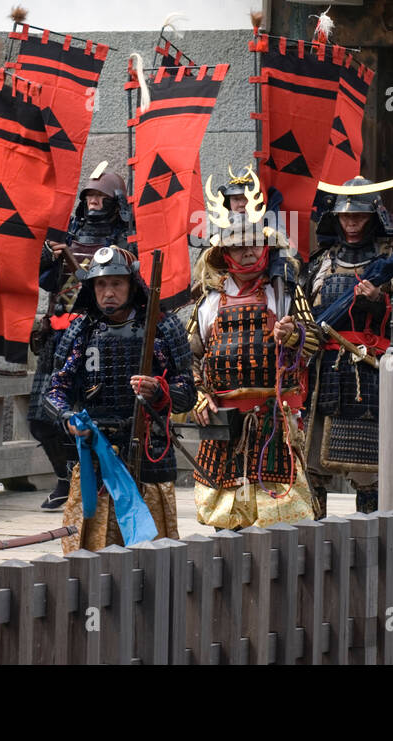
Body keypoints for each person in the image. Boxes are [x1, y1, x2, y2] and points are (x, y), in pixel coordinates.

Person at [42, 246, 195, 552]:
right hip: (94, 456)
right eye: (101, 284)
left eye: (116, 283)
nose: (108, 292)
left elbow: (187, 393)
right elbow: (55, 390)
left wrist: (160, 391)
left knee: (152, 556)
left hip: (148, 455)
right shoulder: (82, 330)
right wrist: (68, 419)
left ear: (131, 285)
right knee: (88, 555)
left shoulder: (162, 328)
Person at [189, 179, 319, 530]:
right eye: (238, 246)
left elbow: (315, 342)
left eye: (253, 244)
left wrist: (294, 336)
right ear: (225, 254)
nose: (247, 251)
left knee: (280, 517)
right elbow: (189, 356)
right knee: (225, 515)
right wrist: (199, 395)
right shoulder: (209, 300)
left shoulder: (287, 293)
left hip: (276, 416)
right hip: (225, 420)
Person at [29, 166, 136, 510]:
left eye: (100, 196)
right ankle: (64, 476)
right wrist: (49, 258)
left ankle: (87, 476)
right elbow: (47, 282)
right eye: (89, 196)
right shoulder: (70, 232)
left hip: (99, 338)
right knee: (40, 415)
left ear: (114, 201)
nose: (93, 202)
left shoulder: (124, 240)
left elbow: (117, 284)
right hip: (57, 334)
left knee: (92, 413)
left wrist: (76, 265)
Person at [304, 178, 393, 515]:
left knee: (369, 473)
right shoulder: (320, 263)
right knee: (311, 467)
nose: (352, 223)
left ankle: (371, 542)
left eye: (359, 216)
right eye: (346, 217)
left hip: (368, 373)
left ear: (374, 217)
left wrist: (379, 302)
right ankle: (312, 543)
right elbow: (302, 312)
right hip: (322, 374)